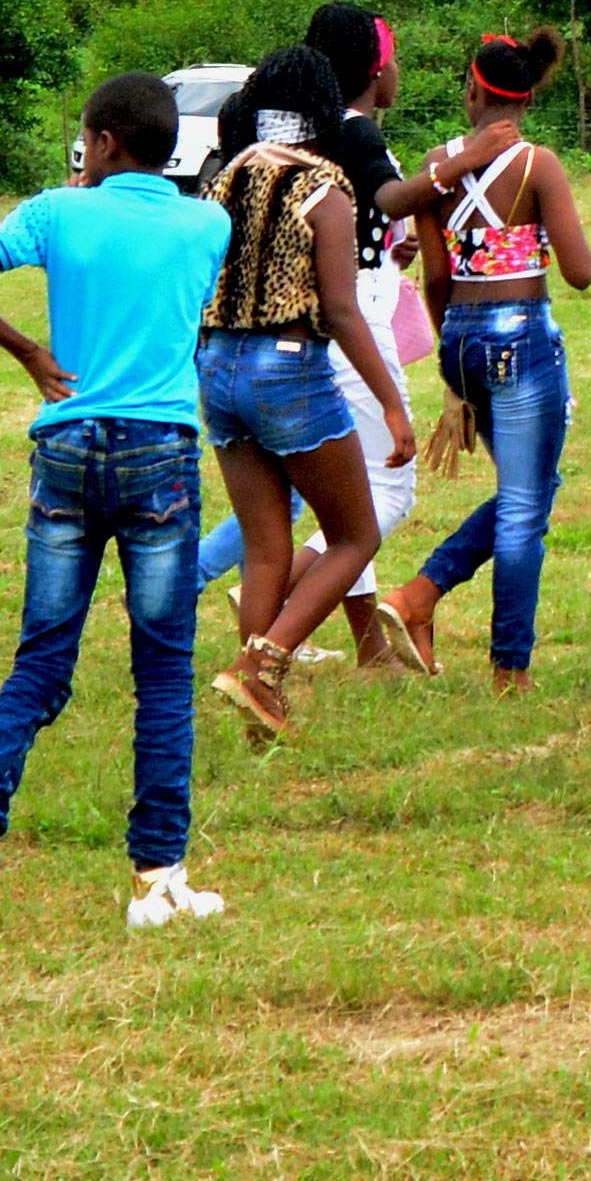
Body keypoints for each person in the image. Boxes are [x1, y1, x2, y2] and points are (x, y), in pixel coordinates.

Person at [0, 73, 238, 940]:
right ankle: (158, 878)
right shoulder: (207, 223)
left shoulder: (59, 213)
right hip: (160, 452)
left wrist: (26, 348)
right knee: (164, 670)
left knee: (42, 661)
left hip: (65, 446)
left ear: (100, 142)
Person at [198, 45, 419, 745]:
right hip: (288, 366)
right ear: (324, 107)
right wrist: (389, 402)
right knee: (354, 532)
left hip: (218, 366)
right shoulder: (325, 185)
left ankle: (261, 709)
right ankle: (261, 666)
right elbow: (344, 311)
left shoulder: (224, 178)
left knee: (265, 549)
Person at [378, 30, 591, 702]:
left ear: (471, 91)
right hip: (523, 338)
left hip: (463, 339)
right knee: (528, 504)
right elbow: (581, 273)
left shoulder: (439, 164)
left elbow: (436, 278)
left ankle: (421, 595)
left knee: (527, 491)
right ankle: (508, 667)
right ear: (525, 99)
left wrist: (453, 362)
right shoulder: (539, 167)